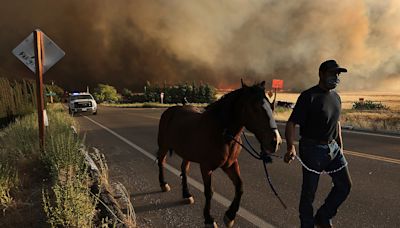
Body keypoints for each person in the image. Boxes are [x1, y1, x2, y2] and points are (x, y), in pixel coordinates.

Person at [284, 60, 352, 228]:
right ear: (321, 74)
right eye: (332, 73)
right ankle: (307, 224)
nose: (335, 77)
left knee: (344, 185)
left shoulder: (336, 97)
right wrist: (291, 147)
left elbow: (336, 124)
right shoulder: (309, 96)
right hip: (312, 148)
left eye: (338, 74)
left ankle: (323, 216)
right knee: (309, 193)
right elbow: (291, 123)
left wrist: (340, 147)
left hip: (333, 149)